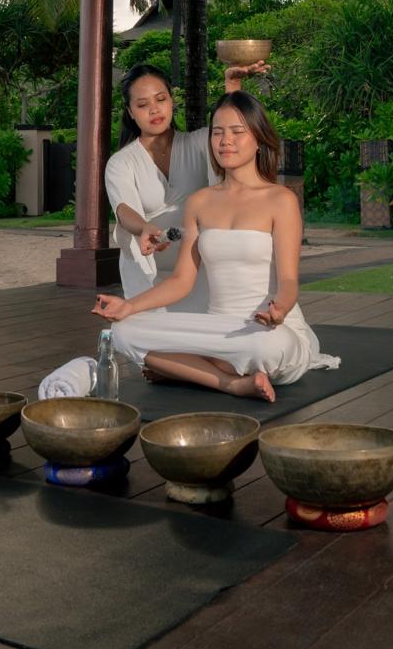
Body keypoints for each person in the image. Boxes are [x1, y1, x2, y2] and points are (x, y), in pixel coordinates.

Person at [93, 91, 340, 401]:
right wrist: (129, 306)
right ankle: (231, 382)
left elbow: (289, 280)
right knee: (124, 333)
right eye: (218, 132)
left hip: (268, 333)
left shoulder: (281, 200)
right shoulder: (200, 201)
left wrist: (280, 310)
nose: (226, 141)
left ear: (259, 139)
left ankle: (191, 366)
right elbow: (182, 281)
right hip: (217, 328)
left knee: (263, 347)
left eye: (237, 132)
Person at [104, 60, 268, 310]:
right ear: (130, 111)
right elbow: (124, 210)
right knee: (149, 339)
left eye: (160, 99)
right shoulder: (121, 162)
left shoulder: (201, 142)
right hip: (148, 273)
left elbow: (231, 128)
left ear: (171, 100)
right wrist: (145, 227)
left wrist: (232, 85)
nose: (154, 110)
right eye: (142, 104)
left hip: (201, 270)